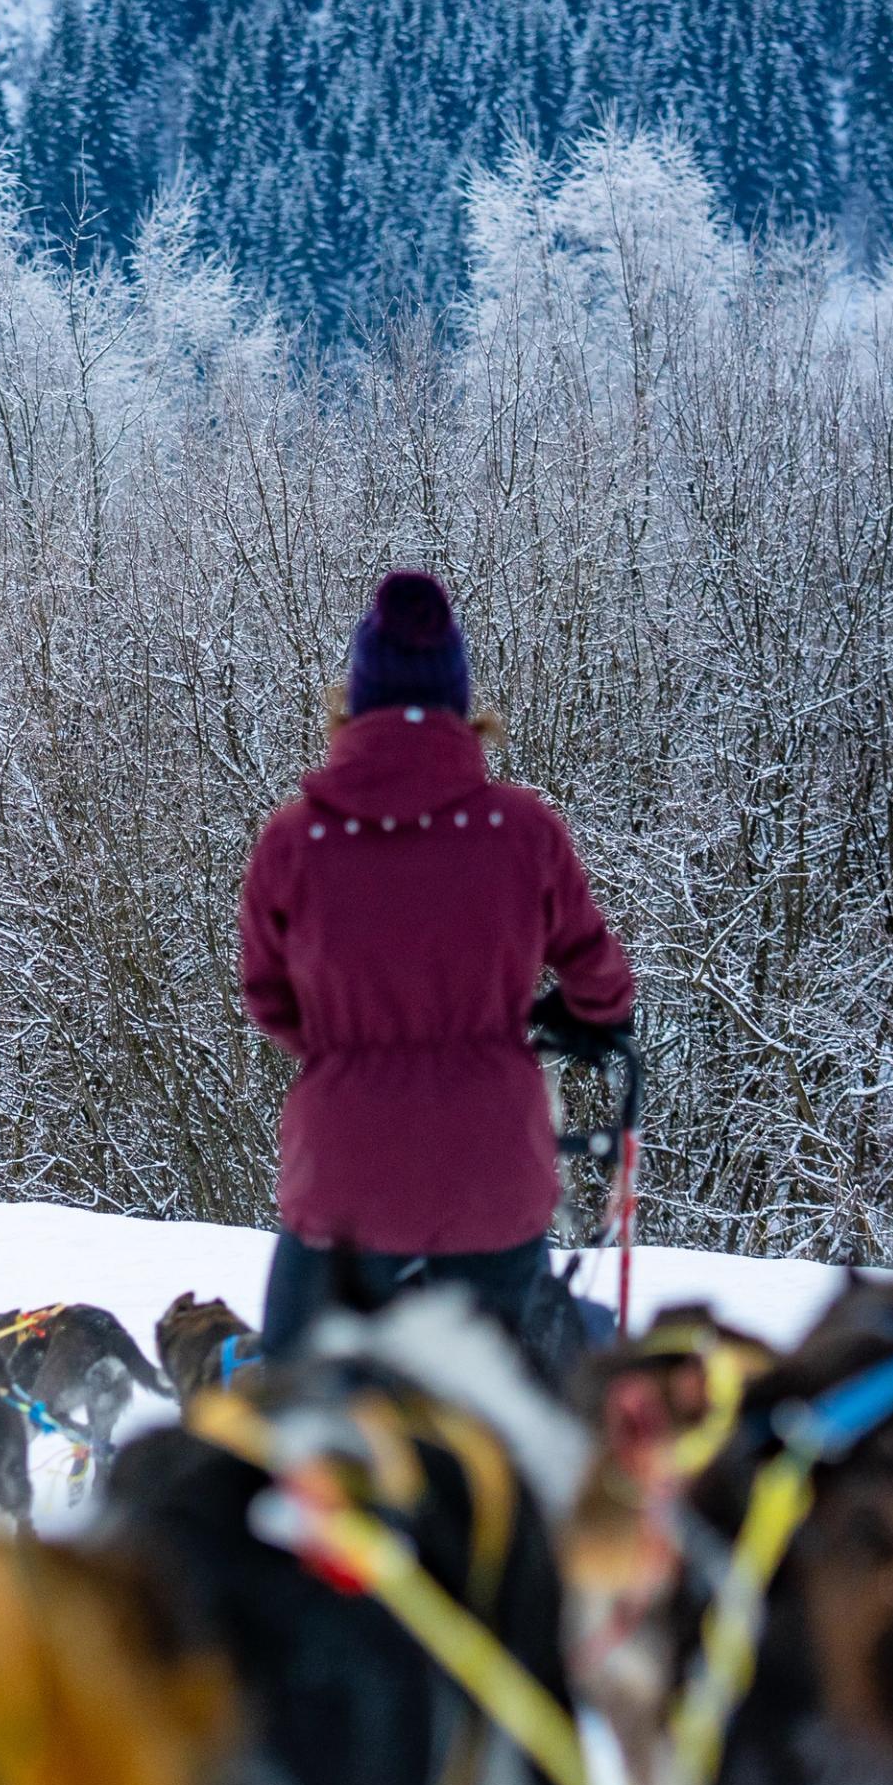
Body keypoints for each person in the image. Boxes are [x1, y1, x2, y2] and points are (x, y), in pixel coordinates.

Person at [237, 569, 633, 1372]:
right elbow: (603, 977)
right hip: (493, 1171)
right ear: (461, 705)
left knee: (297, 1406)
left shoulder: (297, 840)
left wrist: (350, 1045)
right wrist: (571, 1017)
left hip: (345, 1176)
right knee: (504, 1420)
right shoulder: (521, 830)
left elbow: (267, 996)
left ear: (353, 701)